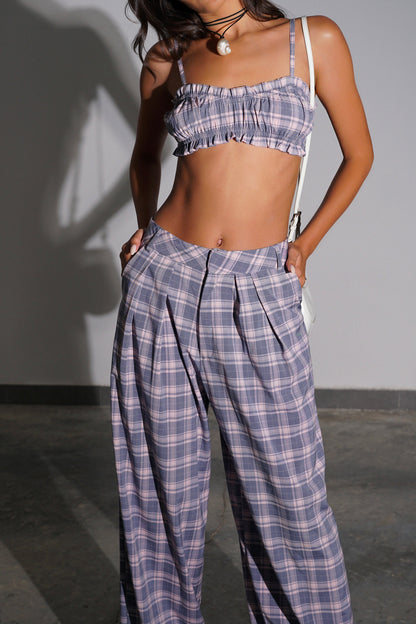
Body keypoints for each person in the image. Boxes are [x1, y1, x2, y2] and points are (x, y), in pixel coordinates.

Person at [111, 1, 373, 622]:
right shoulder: (168, 59)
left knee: (288, 496)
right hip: (164, 281)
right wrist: (145, 226)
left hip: (259, 285)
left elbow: (359, 155)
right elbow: (145, 156)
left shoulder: (312, 39)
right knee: (158, 491)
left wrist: (303, 245)